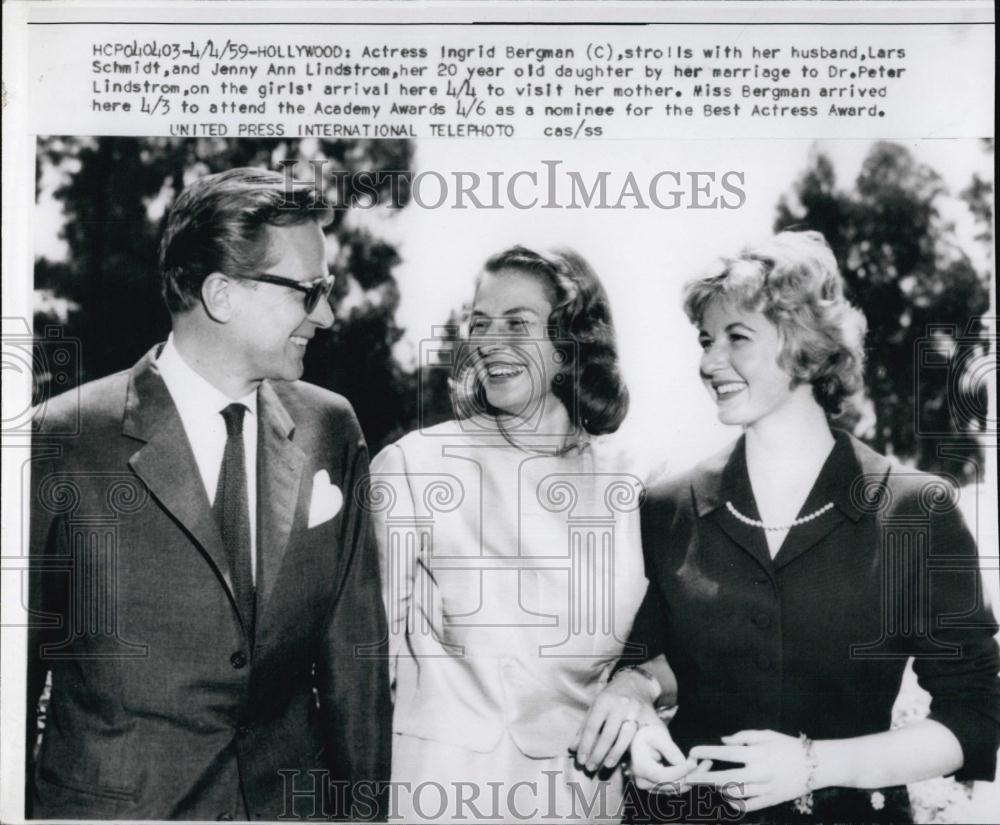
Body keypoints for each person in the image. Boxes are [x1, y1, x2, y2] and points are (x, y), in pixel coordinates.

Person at [27, 168, 390, 820]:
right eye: (308, 292)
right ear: (220, 293)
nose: (328, 316)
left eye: (327, 291)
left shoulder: (331, 429)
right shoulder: (59, 440)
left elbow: (356, 668)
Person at [614, 230, 1000, 823]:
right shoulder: (668, 507)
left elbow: (974, 717)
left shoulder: (915, 510)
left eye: (736, 338)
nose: (708, 362)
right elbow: (647, 662)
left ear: (804, 346)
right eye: (705, 340)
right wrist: (634, 703)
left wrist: (815, 765)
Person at [369, 246, 663, 822]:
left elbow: (675, 650)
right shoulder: (414, 465)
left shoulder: (640, 482)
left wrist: (638, 684)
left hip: (580, 800)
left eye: (517, 324)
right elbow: (366, 668)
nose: (489, 341)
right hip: (436, 797)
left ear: (570, 342)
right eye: (480, 323)